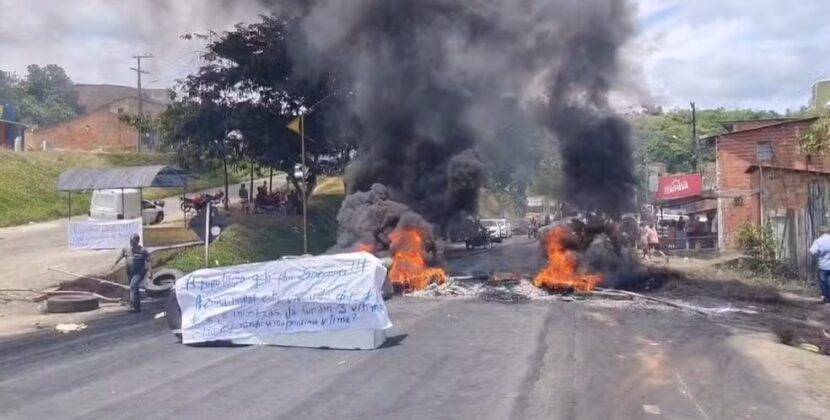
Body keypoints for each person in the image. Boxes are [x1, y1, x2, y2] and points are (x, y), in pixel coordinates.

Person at [112, 234, 150, 313]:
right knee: (133, 288)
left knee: (133, 286)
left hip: (139, 272)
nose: (131, 243)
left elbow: (149, 260)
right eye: (130, 241)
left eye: (133, 241)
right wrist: (114, 265)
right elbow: (120, 256)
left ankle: (133, 306)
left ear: (137, 241)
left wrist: (150, 271)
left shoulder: (142, 250)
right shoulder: (126, 249)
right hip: (130, 272)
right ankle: (137, 307)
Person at [809, 226, 830, 305]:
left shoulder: (818, 241)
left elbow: (812, 251)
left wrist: (819, 253)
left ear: (820, 233)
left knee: (823, 283)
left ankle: (826, 300)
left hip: (823, 266)